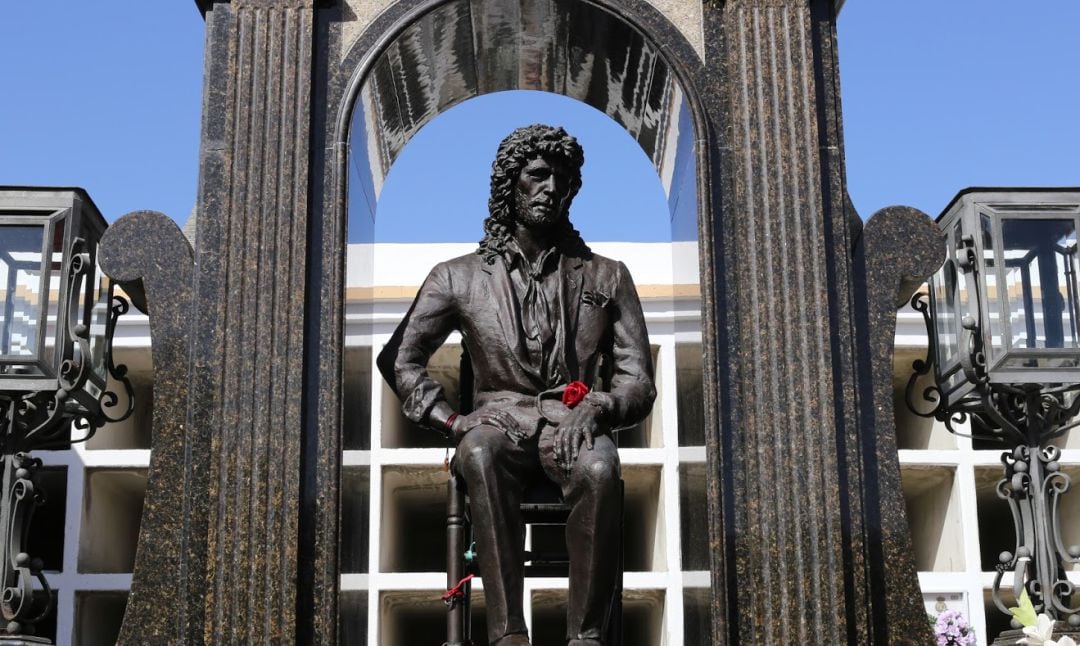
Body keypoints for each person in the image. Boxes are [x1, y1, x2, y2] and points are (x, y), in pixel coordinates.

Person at [377, 124, 655, 646]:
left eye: (564, 179)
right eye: (539, 175)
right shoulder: (456, 276)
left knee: (601, 466)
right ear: (512, 184)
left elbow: (638, 379)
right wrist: (451, 421)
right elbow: (399, 359)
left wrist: (599, 406)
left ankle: (586, 638)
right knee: (478, 452)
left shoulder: (607, 276)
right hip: (497, 422)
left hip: (574, 424)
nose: (552, 187)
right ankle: (508, 636)